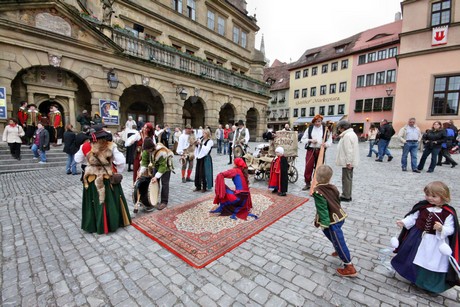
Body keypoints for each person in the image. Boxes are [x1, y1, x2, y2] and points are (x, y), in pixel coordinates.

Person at [391, 181, 460, 293]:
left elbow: (451, 229)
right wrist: (403, 222)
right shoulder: (423, 206)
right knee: (413, 258)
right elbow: (413, 217)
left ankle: (430, 286)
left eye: (434, 196)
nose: (430, 198)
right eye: (427, 195)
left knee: (431, 263)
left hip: (435, 243)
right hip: (418, 238)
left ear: (444, 197)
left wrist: (442, 228)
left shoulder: (448, 213)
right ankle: (414, 279)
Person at [74, 124, 131, 234]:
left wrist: (88, 163)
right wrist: (117, 171)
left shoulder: (85, 146)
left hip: (91, 179)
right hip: (107, 177)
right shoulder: (111, 145)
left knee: (93, 201)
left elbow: (77, 159)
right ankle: (112, 223)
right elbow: (121, 161)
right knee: (109, 200)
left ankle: (93, 225)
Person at [312, 165, 357, 277]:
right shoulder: (333, 187)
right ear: (330, 178)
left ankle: (349, 266)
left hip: (332, 221)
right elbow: (336, 201)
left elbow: (322, 209)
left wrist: (324, 224)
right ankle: (338, 249)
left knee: (339, 240)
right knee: (331, 236)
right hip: (339, 216)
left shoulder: (318, 192)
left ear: (316, 177)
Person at [138, 137, 174, 210]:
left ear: (152, 147)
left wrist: (156, 176)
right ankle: (153, 200)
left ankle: (164, 202)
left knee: (165, 184)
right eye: (146, 150)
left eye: (148, 150)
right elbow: (144, 163)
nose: (147, 151)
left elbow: (163, 167)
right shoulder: (146, 151)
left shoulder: (161, 152)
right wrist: (140, 173)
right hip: (156, 165)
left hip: (166, 166)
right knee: (154, 183)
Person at [300, 115, 332, 191]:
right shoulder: (309, 129)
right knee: (308, 166)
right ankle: (307, 183)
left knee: (319, 167)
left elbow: (330, 141)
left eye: (319, 121)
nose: (317, 123)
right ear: (313, 122)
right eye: (316, 121)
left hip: (320, 150)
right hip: (311, 150)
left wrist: (326, 144)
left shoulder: (326, 130)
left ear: (321, 121)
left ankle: (316, 183)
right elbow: (303, 139)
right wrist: (310, 140)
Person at [335, 120, 359, 202]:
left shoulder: (347, 136)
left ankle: (346, 196)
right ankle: (347, 194)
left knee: (346, 179)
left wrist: (348, 162)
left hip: (347, 162)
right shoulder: (351, 134)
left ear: (343, 128)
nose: (338, 130)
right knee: (348, 178)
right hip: (349, 161)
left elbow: (349, 150)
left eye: (339, 128)